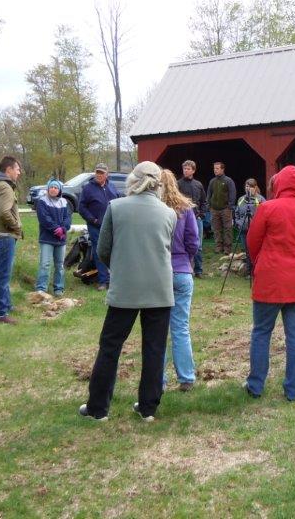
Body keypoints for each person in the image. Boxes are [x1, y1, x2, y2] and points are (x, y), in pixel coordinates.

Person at [80, 162, 176, 422]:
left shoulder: (116, 207)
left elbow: (103, 249)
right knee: (154, 349)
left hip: (125, 289)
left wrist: (121, 269)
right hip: (159, 290)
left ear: (133, 180)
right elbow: (163, 249)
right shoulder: (169, 213)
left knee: (110, 346)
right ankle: (148, 408)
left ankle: (98, 408)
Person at [244, 165, 295, 401]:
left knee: (261, 332)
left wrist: (261, 263)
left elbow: (252, 241)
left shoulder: (267, 208)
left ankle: (256, 385)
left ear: (280, 184)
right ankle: (293, 388)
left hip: (271, 278)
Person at [160, 169, 200, 391]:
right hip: (182, 270)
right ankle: (186, 378)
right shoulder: (184, 209)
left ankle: (159, 380)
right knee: (180, 327)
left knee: (159, 328)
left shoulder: (154, 210)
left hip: (160, 272)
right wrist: (187, 260)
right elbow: (193, 241)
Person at [0, 156, 23, 324]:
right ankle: (0, 314)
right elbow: (4, 212)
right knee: (3, 276)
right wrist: (16, 227)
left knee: (3, 274)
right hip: (4, 237)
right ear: (8, 170)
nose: (19, 172)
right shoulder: (6, 188)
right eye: (17, 169)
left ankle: (7, 305)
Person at [78, 163, 120, 291]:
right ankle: (103, 281)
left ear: (107, 174)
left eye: (102, 173)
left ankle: (115, 280)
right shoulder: (87, 188)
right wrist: (92, 219)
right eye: (97, 172)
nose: (99, 175)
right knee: (99, 252)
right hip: (96, 226)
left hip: (112, 226)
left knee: (114, 252)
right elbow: (81, 207)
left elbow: (118, 202)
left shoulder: (112, 187)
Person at [35, 179, 72, 297]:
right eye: (51, 187)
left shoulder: (64, 202)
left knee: (60, 265)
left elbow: (68, 218)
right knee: (45, 264)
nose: (53, 189)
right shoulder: (42, 201)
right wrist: (56, 229)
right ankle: (41, 288)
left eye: (56, 187)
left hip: (61, 239)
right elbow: (44, 218)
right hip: (47, 238)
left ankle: (58, 288)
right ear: (48, 188)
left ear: (60, 190)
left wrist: (63, 229)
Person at [177, 160, 208, 278]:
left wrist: (202, 214)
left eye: (188, 169)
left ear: (193, 170)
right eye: (184, 168)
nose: (186, 170)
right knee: (183, 243)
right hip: (182, 219)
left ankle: (199, 270)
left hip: (196, 218)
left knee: (198, 245)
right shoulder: (178, 184)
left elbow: (204, 201)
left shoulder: (198, 185)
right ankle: (186, 268)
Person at [234, 178, 265, 275]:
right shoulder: (241, 199)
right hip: (243, 229)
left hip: (255, 230)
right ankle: (249, 271)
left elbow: (264, 214)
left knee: (256, 250)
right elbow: (237, 213)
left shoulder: (260, 199)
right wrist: (239, 223)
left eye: (250, 187)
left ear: (255, 188)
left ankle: (258, 270)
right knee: (247, 250)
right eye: (247, 186)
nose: (248, 189)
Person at [206, 161, 236, 254]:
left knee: (227, 229)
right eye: (214, 168)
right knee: (216, 229)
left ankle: (227, 248)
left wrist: (230, 206)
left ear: (222, 169)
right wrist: (209, 205)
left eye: (217, 168)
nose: (215, 170)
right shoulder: (212, 181)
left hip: (225, 209)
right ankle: (218, 247)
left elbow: (232, 193)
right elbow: (209, 194)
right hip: (214, 209)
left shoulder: (228, 180)